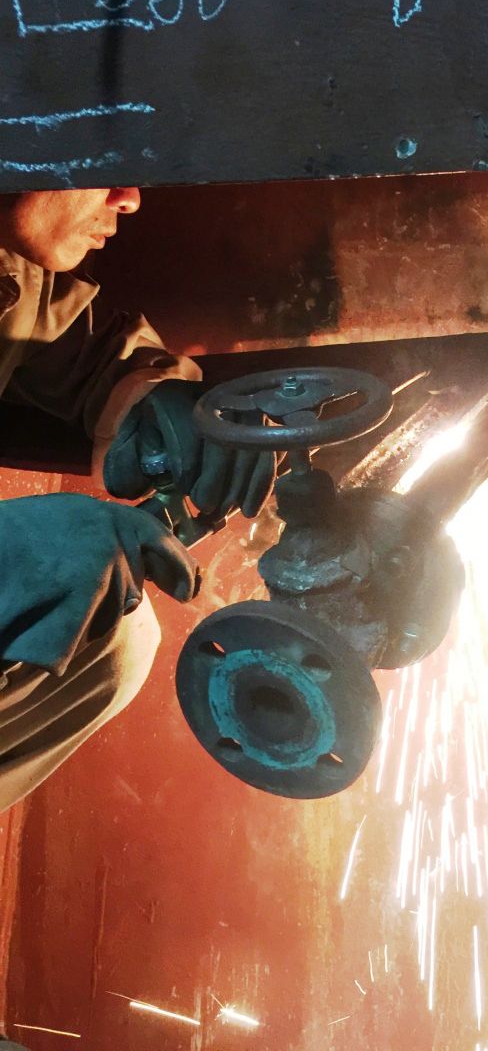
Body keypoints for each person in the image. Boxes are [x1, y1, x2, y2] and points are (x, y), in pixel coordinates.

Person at [0, 187, 277, 812]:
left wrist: (152, 393)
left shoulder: (10, 270)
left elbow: (67, 337)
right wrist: (14, 554)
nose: (128, 199)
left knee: (113, 644)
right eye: (102, 161)